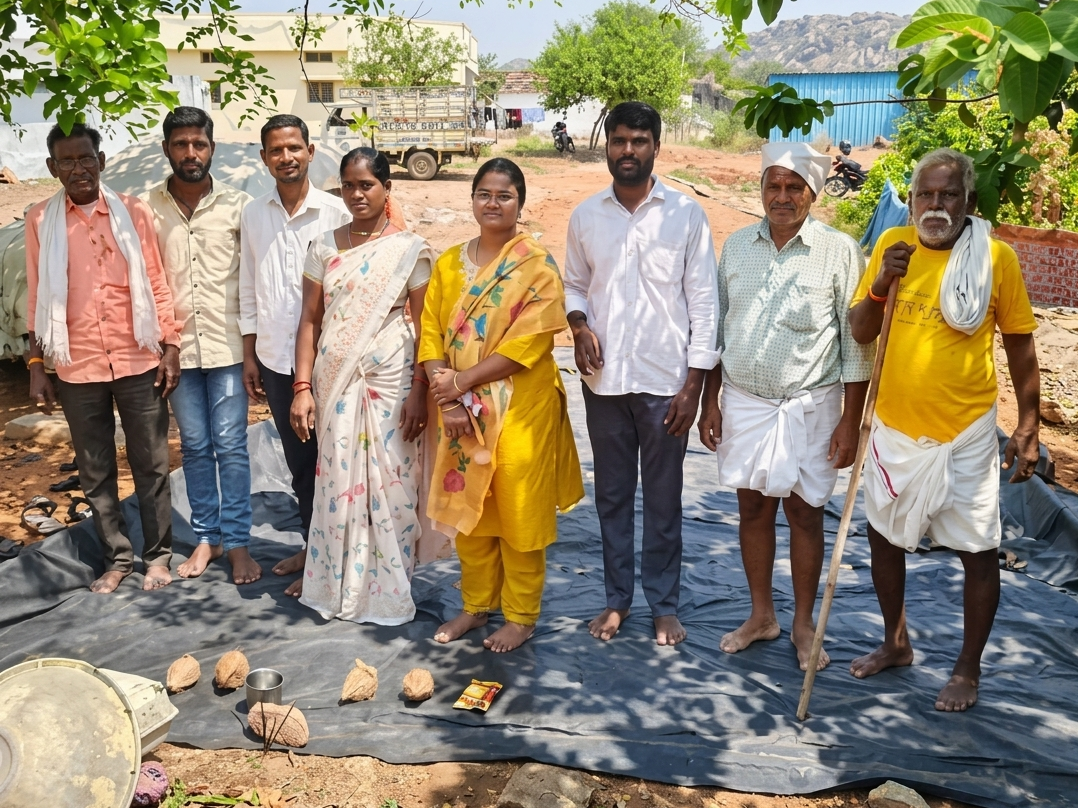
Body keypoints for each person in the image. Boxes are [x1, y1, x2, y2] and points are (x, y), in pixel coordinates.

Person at [848, 147, 1041, 711]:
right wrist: (882, 281)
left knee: (977, 551)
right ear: (911, 200)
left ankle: (967, 668)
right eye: (925, 195)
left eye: (948, 194)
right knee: (882, 538)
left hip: (965, 434)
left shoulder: (995, 258)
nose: (935, 205)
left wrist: (1028, 425)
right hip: (895, 429)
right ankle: (896, 643)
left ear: (969, 201)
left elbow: (1021, 345)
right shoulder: (893, 245)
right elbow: (860, 331)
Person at [697, 143, 875, 670]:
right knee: (752, 509)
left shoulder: (839, 250)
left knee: (804, 513)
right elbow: (717, 330)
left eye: (794, 187)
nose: (782, 196)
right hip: (745, 402)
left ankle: (802, 624)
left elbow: (855, 346)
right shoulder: (736, 246)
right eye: (772, 185)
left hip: (812, 406)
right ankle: (761, 616)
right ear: (761, 190)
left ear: (813, 193)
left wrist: (850, 421)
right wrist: (711, 402)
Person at [564, 101, 720, 647]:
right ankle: (617, 600)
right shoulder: (586, 216)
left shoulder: (686, 215)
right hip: (603, 383)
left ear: (656, 146)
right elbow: (574, 284)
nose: (627, 150)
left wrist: (693, 386)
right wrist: (578, 325)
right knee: (610, 496)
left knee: (662, 498)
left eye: (639, 141)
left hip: (665, 385)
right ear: (606, 145)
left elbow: (704, 304)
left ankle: (664, 604)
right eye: (619, 140)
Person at [420, 158, 583, 653]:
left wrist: (460, 383)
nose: (493, 203)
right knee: (470, 509)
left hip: (520, 412)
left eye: (504, 195)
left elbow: (529, 344)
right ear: (472, 199)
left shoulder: (536, 266)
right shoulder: (449, 263)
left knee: (518, 513)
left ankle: (520, 616)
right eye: (484, 194)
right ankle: (475, 606)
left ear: (520, 203)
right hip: (459, 411)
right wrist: (447, 396)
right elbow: (430, 331)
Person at [25, 123, 180, 594]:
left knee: (151, 464)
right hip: (79, 364)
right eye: (67, 161)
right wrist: (36, 365)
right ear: (52, 167)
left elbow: (156, 281)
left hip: (138, 358)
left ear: (102, 161)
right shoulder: (40, 219)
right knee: (94, 469)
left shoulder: (133, 212)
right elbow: (36, 294)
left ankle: (157, 557)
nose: (79, 169)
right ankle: (118, 559)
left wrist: (171, 345)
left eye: (86, 158)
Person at [288, 147, 434, 623]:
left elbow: (426, 326)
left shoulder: (409, 249)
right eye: (348, 185)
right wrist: (302, 387)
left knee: (394, 479)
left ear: (387, 189)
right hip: (336, 377)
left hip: (393, 377)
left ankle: (390, 587)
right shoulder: (323, 247)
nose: (356, 194)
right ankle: (337, 584)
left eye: (366, 185)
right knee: (338, 478)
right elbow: (309, 322)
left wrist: (420, 390)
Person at [143, 107, 259, 585]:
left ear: (213, 148)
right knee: (193, 447)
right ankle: (208, 538)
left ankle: (238, 543)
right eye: (181, 144)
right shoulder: (146, 209)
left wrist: (251, 351)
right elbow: (146, 283)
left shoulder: (239, 206)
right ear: (166, 149)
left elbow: (251, 281)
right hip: (177, 353)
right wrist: (164, 343)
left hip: (229, 349)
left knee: (231, 446)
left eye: (199, 144)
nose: (190, 153)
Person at [239, 114, 351, 596]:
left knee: (341, 458)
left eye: (294, 148)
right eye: (276, 150)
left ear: (310, 151)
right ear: (264, 158)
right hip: (275, 358)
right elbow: (248, 286)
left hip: (332, 360)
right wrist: (250, 354)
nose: (286, 157)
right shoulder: (253, 214)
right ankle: (314, 550)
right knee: (301, 462)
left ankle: (348, 556)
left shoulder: (337, 213)